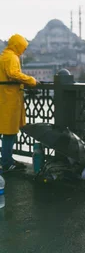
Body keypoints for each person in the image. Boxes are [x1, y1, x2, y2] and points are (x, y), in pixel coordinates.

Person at [0, 34, 38, 172]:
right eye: (24, 47)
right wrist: (31, 80)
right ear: (18, 45)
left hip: (4, 99)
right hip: (9, 100)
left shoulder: (4, 56)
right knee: (9, 133)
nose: (24, 50)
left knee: (6, 131)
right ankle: (6, 162)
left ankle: (7, 159)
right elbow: (13, 73)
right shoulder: (11, 57)